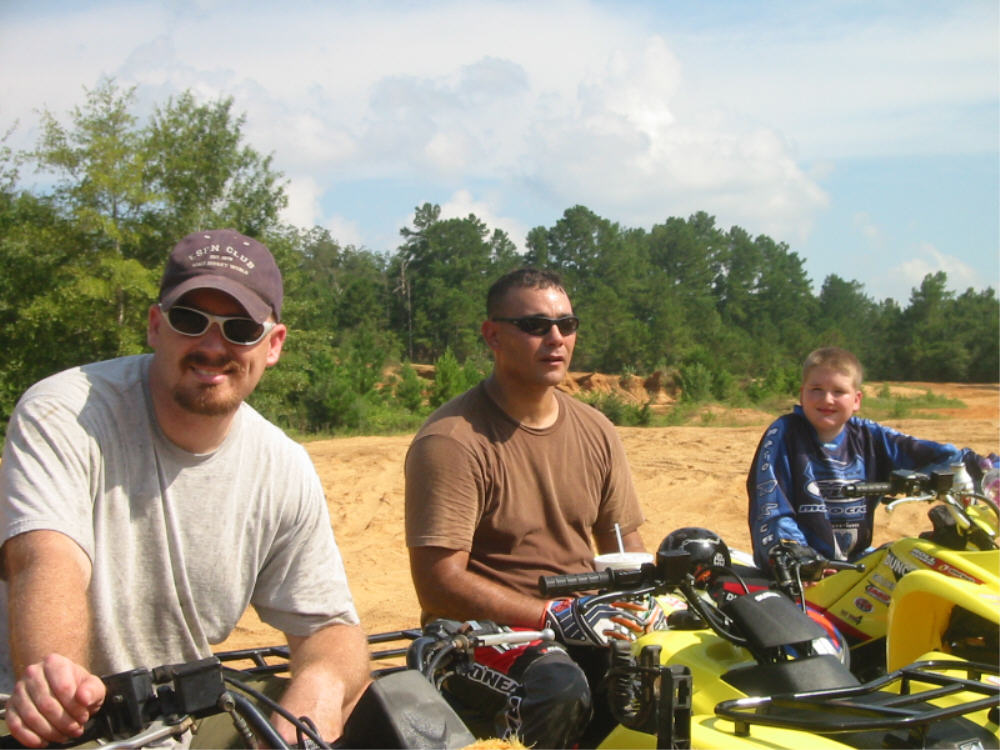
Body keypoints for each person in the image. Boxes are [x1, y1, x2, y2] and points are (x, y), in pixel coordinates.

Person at [0, 229, 370, 748]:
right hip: (35, 719)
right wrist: (56, 677)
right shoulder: (65, 414)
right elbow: (46, 559)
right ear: (156, 326)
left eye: (241, 329)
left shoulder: (283, 466)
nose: (213, 347)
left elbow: (331, 628)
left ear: (273, 345)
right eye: (190, 321)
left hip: (177, 722)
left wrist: (320, 689)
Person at [404, 268, 660, 748]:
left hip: (578, 620)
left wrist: (644, 602)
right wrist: (551, 615)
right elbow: (438, 582)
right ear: (493, 336)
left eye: (567, 324)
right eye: (535, 326)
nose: (556, 338)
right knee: (558, 688)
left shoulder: (597, 430)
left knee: (669, 676)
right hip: (479, 636)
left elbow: (624, 545)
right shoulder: (453, 440)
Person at [747, 346, 997, 569]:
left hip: (854, 563)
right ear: (802, 394)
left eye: (838, 391)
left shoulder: (869, 435)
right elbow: (771, 504)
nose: (827, 399)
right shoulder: (785, 433)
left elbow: (933, 455)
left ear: (856, 400)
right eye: (816, 390)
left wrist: (987, 469)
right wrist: (795, 556)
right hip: (798, 569)